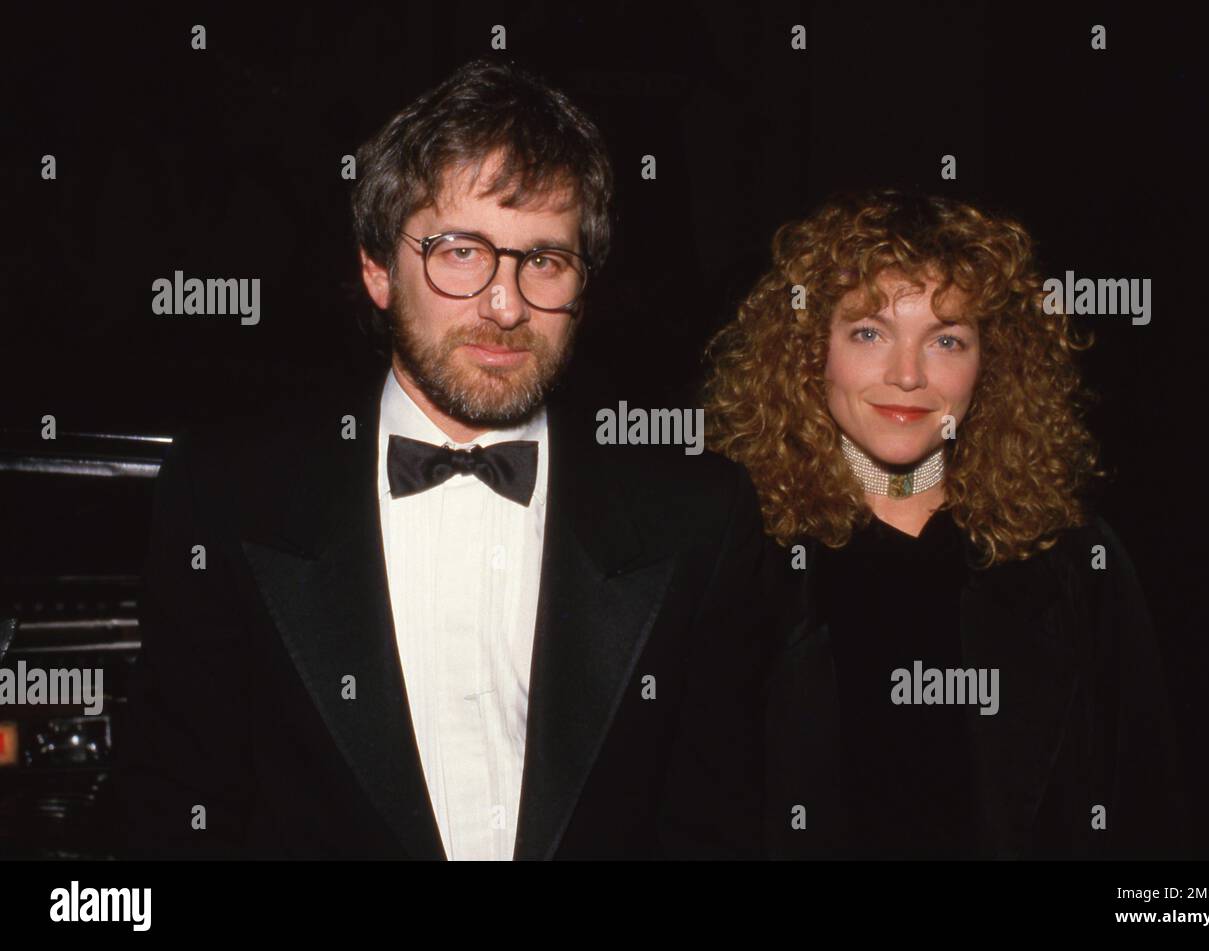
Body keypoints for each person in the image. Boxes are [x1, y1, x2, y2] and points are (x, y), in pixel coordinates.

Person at [113, 58, 775, 860]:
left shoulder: (700, 517)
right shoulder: (229, 492)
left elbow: (718, 830)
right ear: (377, 269)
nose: (505, 305)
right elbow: (173, 815)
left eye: (544, 260)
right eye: (461, 252)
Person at [704, 189, 1182, 859]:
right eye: (869, 332)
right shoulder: (739, 557)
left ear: (992, 362)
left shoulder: (1073, 559)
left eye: (947, 338)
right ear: (811, 348)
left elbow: (1145, 810)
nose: (908, 374)